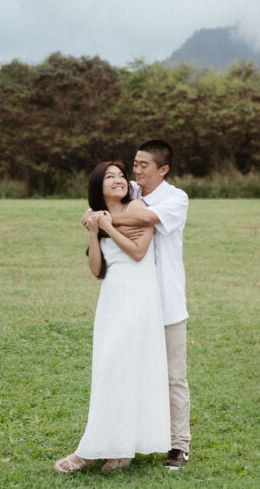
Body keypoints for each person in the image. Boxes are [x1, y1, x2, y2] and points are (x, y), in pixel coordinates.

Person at [54, 161, 170, 474]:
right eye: (110, 176)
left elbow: (137, 252)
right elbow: (96, 270)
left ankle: (102, 450)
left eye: (122, 175)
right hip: (112, 299)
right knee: (111, 370)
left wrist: (107, 227)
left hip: (138, 297)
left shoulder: (138, 207)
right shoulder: (98, 217)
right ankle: (116, 447)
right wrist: (95, 232)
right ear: (97, 186)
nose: (119, 179)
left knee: (124, 368)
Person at [109, 140, 191, 470]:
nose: (137, 170)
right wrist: (95, 213)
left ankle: (179, 445)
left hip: (167, 301)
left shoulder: (175, 198)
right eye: (135, 164)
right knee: (131, 373)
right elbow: (99, 196)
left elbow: (144, 218)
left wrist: (104, 220)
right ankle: (126, 441)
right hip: (131, 301)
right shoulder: (129, 189)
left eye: (144, 165)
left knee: (173, 378)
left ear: (163, 169)